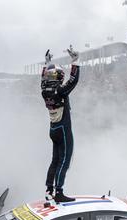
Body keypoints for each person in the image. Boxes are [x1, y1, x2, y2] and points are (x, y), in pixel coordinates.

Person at [41, 46, 80, 203]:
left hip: (53, 128)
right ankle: (59, 192)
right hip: (63, 129)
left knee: (55, 160)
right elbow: (73, 80)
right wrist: (76, 61)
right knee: (65, 160)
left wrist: (46, 63)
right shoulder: (59, 91)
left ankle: (49, 188)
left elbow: (43, 78)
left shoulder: (44, 90)